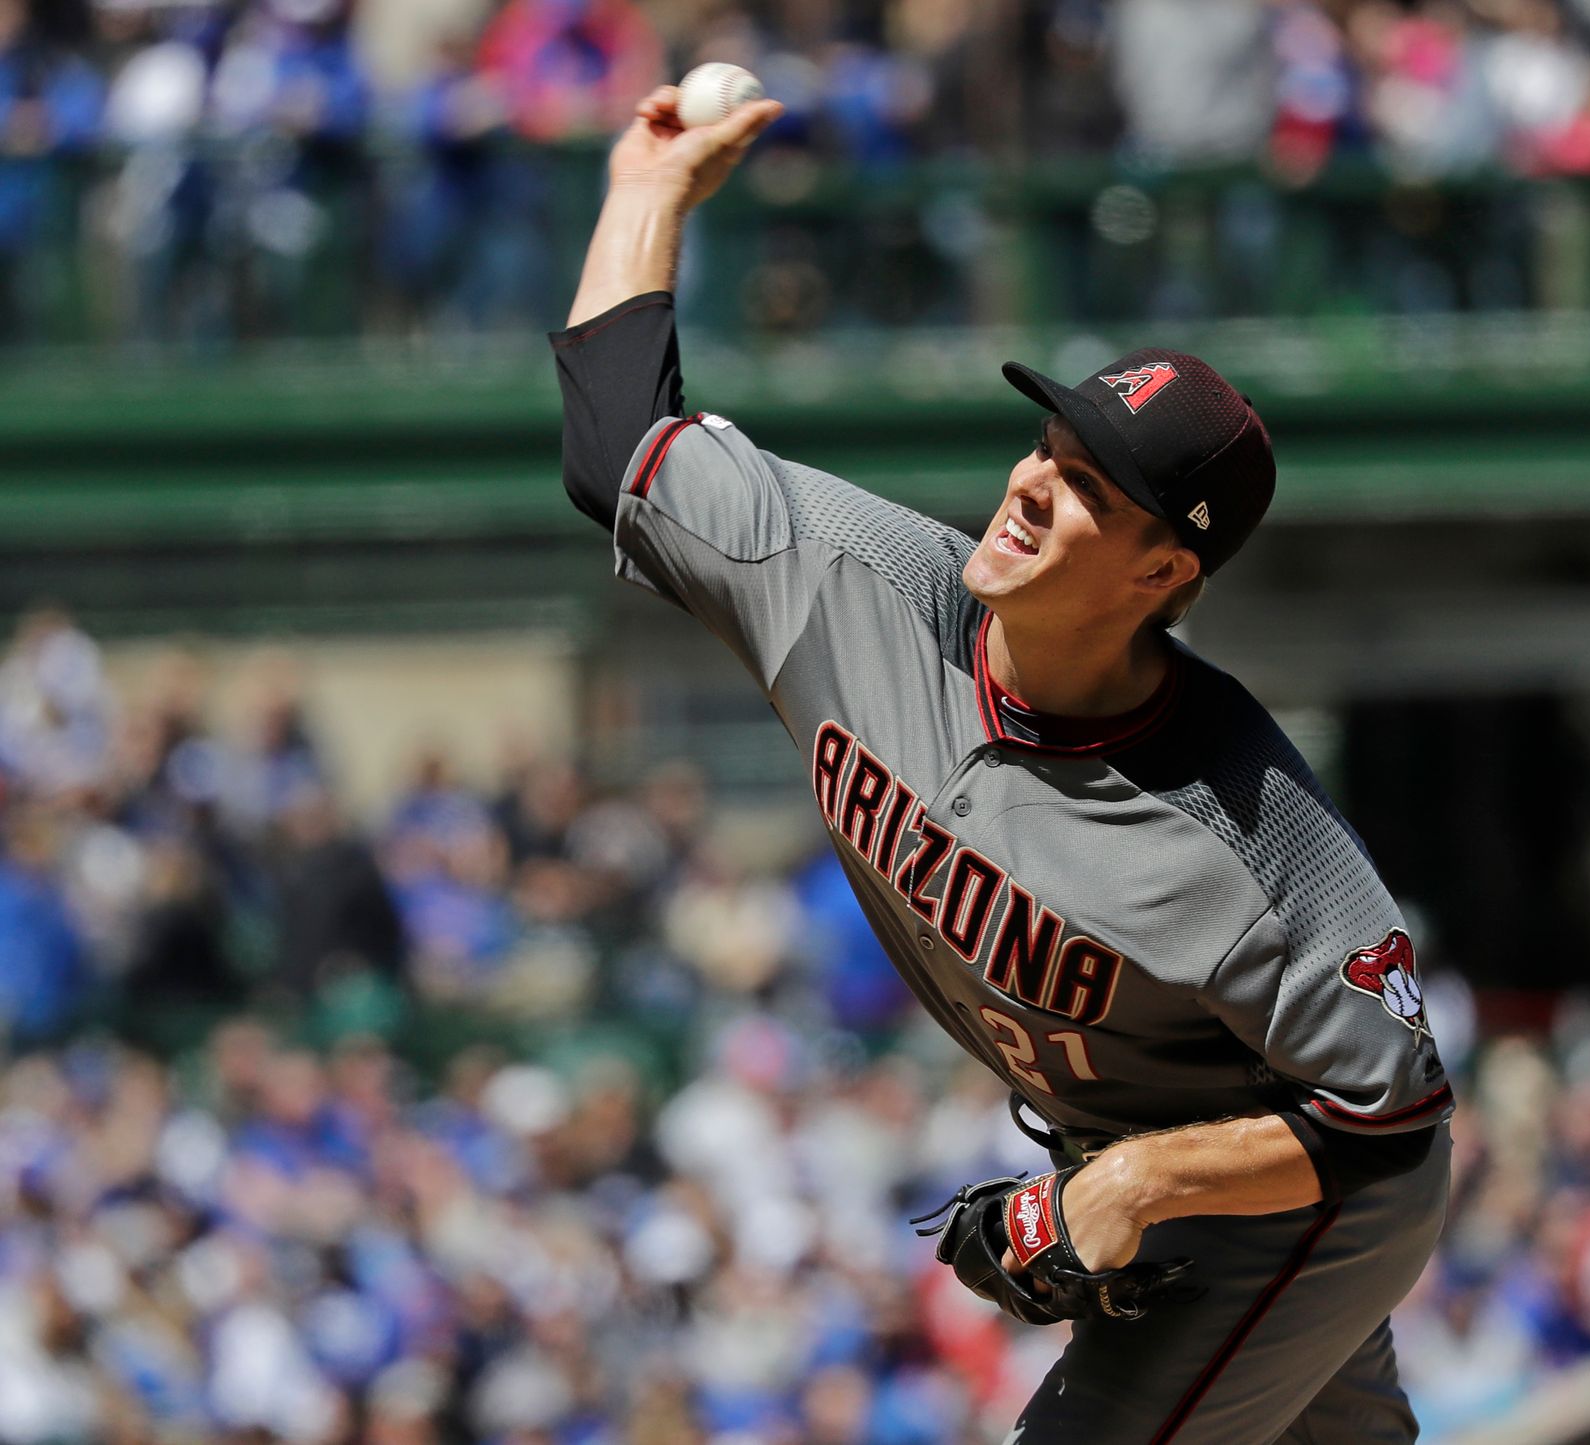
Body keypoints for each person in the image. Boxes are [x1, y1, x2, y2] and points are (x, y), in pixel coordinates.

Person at [549, 85, 1455, 1445]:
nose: (1031, 482)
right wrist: (651, 188)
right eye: (1048, 444)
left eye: (1093, 485)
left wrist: (1139, 1182)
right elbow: (616, 437)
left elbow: (1391, 1129)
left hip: (1300, 1199)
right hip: (1138, 1162)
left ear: (1164, 569)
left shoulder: (1248, 830)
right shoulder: (848, 584)